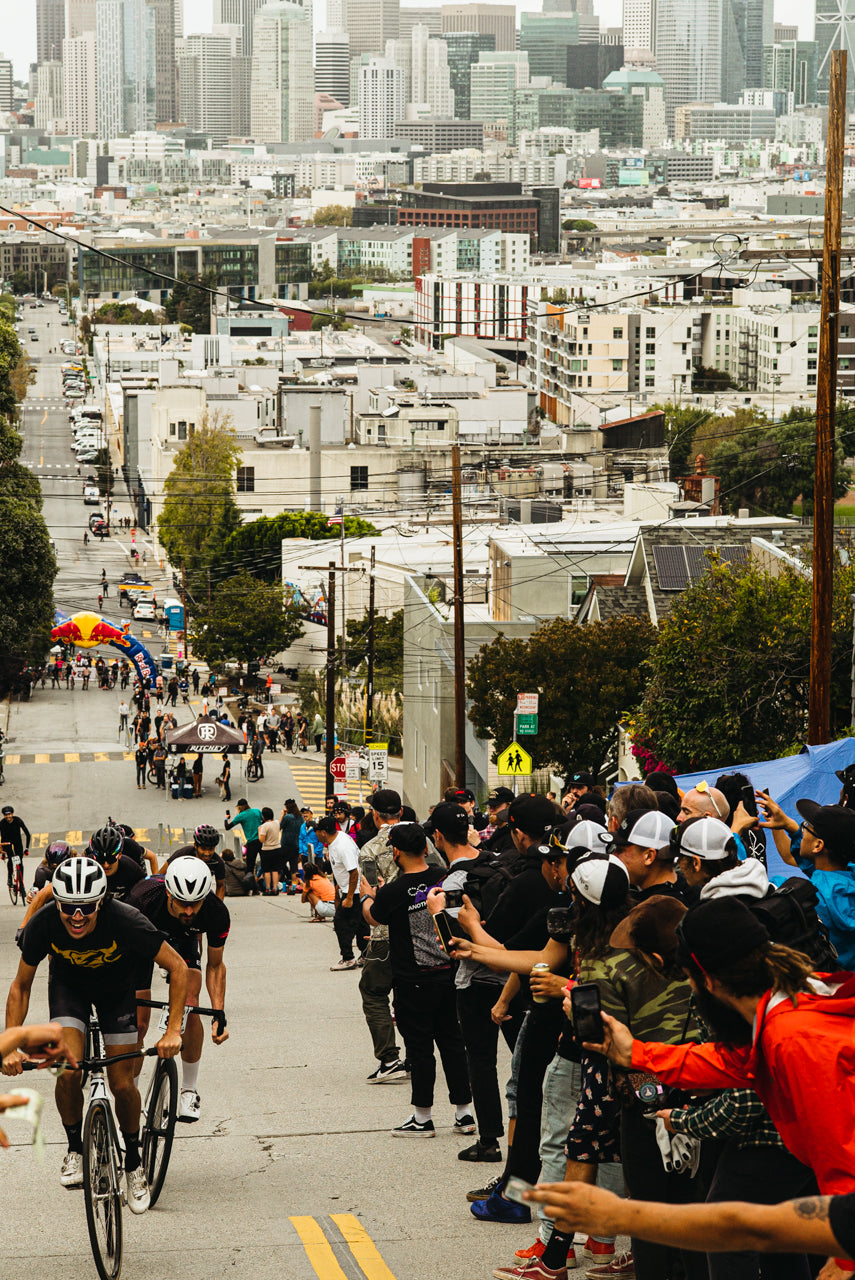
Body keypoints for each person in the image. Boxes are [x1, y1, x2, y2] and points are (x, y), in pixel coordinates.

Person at [590, 895, 855, 1277]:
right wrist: (637, 1054)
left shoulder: (792, 1037)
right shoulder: (787, 999)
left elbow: (841, 1151)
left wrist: (845, 1254)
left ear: (708, 981)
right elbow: (730, 1062)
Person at [4, 857, 188, 1209]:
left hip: (117, 992)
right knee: (67, 1069)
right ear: (56, 902)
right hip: (68, 991)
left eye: (87, 907)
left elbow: (178, 968)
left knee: (122, 1083)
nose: (77, 916)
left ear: (101, 902)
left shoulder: (127, 920)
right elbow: (20, 987)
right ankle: (75, 1148)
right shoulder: (42, 925)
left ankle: (133, 1162)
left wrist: (174, 1031)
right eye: (69, 907)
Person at [362, 822, 473, 1138]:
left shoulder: (395, 890)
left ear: (395, 852)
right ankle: (464, 1113)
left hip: (413, 981)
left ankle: (422, 1117)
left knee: (420, 1048)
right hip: (449, 975)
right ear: (426, 848)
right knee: (453, 1043)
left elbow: (375, 916)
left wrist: (367, 897)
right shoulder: (442, 876)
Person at [130, 857, 229, 1123]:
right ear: (169, 894)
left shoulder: (215, 911)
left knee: (190, 1002)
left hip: (183, 944)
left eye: (194, 904)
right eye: (182, 904)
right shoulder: (142, 899)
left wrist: (218, 1014)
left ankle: (189, 1089)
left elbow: (216, 966)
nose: (188, 911)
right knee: (137, 1023)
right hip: (142, 943)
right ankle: (132, 1093)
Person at [315, 815, 366, 970]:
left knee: (340, 923)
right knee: (360, 924)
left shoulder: (342, 846)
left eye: (316, 832)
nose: (315, 835)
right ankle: (366, 955)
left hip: (354, 891)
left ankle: (348, 958)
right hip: (349, 888)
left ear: (323, 832)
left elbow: (354, 872)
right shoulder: (336, 840)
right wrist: (338, 886)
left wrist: (349, 897)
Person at [610, 808, 691, 902]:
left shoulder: (658, 910)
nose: (613, 855)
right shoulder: (690, 890)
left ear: (649, 856)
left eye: (620, 850)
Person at [166, 825, 227, 900]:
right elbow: (160, 874)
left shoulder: (217, 862)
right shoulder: (183, 853)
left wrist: (219, 907)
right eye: (203, 849)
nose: (207, 853)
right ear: (195, 845)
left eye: (211, 849)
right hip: (179, 893)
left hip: (200, 894)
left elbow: (221, 886)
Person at [224, 800, 264, 881]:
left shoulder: (241, 815)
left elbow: (227, 827)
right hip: (261, 840)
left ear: (239, 807)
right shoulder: (257, 811)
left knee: (250, 866)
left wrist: (226, 818)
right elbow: (263, 821)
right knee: (265, 862)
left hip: (252, 842)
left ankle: (252, 887)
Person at [0, 806, 30, 887]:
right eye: (6, 815)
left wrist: (27, 848)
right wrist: (2, 851)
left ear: (12, 814)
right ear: (3, 815)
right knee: (11, 858)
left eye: (9, 814)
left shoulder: (18, 820)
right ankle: (9, 878)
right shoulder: (2, 823)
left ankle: (21, 883)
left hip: (17, 842)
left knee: (20, 862)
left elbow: (28, 834)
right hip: (7, 843)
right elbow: (1, 838)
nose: (8, 816)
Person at [258, 807, 283, 895]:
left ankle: (268, 888)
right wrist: (282, 815)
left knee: (267, 870)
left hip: (267, 850)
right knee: (275, 870)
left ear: (264, 816)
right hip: (277, 848)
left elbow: (261, 839)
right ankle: (275, 888)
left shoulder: (264, 826)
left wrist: (259, 831)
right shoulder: (276, 823)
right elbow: (280, 824)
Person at [279, 799, 302, 892]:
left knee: (280, 865)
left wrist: (282, 815)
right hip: (296, 845)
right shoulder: (300, 817)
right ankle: (294, 886)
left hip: (285, 845)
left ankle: (279, 885)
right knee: (294, 868)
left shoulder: (287, 817)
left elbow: (279, 827)